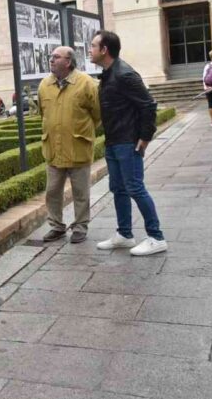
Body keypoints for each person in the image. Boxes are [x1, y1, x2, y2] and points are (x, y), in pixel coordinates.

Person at [89, 30, 167, 255]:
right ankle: (124, 234)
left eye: (93, 46)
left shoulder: (124, 74)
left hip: (128, 141)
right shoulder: (109, 74)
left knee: (135, 187)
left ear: (104, 50)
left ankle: (156, 237)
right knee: (118, 188)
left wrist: (145, 137)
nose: (90, 50)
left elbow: (148, 105)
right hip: (114, 141)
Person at [39, 46, 101, 244]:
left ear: (68, 62)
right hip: (53, 149)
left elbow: (98, 114)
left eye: (56, 57)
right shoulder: (44, 85)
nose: (51, 60)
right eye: (51, 57)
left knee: (81, 192)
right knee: (52, 192)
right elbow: (43, 113)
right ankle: (56, 227)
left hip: (78, 147)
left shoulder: (86, 83)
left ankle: (80, 227)